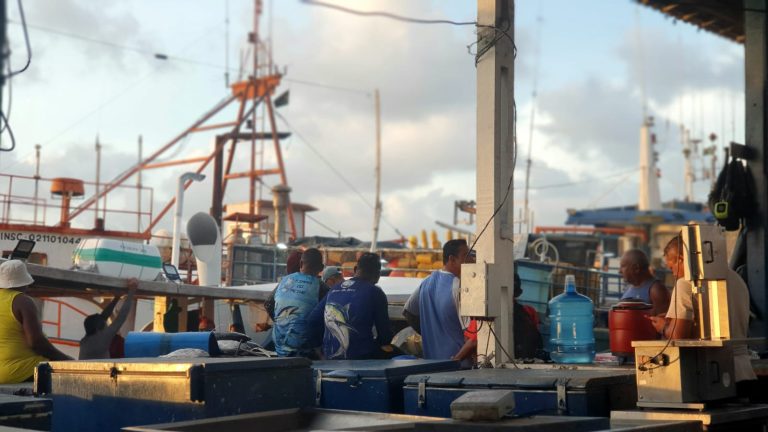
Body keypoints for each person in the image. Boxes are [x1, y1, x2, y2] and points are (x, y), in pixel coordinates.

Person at [650, 235, 757, 389]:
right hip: (745, 373)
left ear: (681, 259)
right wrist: (673, 320)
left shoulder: (685, 283)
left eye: (671, 268)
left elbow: (679, 336)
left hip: (714, 377)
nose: (673, 274)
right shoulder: (736, 278)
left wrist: (663, 327)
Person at [308, 253, 393, 359]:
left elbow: (313, 320)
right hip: (361, 359)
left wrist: (320, 350)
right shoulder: (375, 292)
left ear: (355, 269)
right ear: (378, 275)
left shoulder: (334, 289)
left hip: (330, 357)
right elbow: (385, 335)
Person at [0, 260, 71, 384]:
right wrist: (65, 359)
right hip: (21, 372)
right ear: (25, 283)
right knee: (72, 375)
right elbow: (36, 342)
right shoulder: (22, 301)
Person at [415, 239, 472, 365]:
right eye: (466, 256)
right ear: (452, 259)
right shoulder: (459, 286)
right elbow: (470, 335)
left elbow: (408, 312)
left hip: (431, 362)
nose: (471, 261)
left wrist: (430, 333)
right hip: (457, 364)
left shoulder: (425, 282)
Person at [272, 248, 328, 357]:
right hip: (305, 352)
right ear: (321, 268)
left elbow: (268, 305)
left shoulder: (284, 281)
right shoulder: (321, 287)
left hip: (279, 349)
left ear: (301, 263)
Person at [79, 279, 137, 360]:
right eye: (105, 323)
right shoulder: (101, 338)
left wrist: (116, 298)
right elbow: (121, 317)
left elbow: (103, 316)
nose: (107, 323)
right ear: (98, 328)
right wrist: (132, 291)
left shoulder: (86, 339)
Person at [619, 249, 670, 316]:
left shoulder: (656, 290)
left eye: (623, 266)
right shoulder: (630, 287)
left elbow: (664, 323)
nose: (619, 271)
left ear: (636, 268)